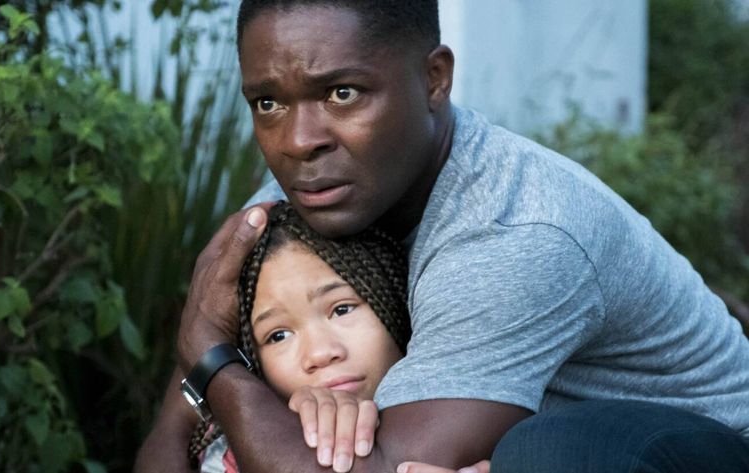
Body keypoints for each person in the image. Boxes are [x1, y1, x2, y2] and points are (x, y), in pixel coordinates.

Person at [135, 1, 749, 472]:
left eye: (342, 93)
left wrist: (211, 354)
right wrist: (206, 376)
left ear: (434, 79)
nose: (298, 141)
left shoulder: (514, 230)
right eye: (268, 104)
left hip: (702, 449)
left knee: (549, 454)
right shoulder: (295, 203)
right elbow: (173, 447)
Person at [192, 201, 411, 472]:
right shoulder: (229, 454)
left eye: (341, 309)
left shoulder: (466, 412)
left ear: (395, 298)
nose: (319, 353)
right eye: (278, 335)